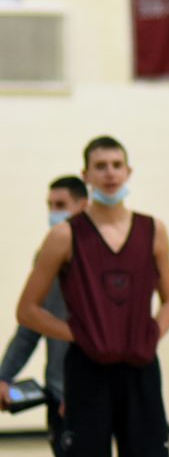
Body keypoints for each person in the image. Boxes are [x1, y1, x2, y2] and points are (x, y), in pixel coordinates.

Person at [17, 136, 169, 457]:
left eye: (117, 165)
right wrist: (77, 335)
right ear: (86, 175)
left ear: (128, 172)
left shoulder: (153, 230)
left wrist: (152, 334)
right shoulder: (64, 235)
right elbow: (27, 310)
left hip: (140, 368)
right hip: (88, 369)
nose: (110, 173)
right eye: (101, 166)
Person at [0, 176, 88, 456]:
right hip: (58, 393)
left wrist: (80, 391)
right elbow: (30, 325)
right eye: (49, 205)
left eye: (61, 205)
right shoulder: (47, 255)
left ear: (83, 207)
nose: (54, 213)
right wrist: (4, 376)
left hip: (93, 393)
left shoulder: (100, 257)